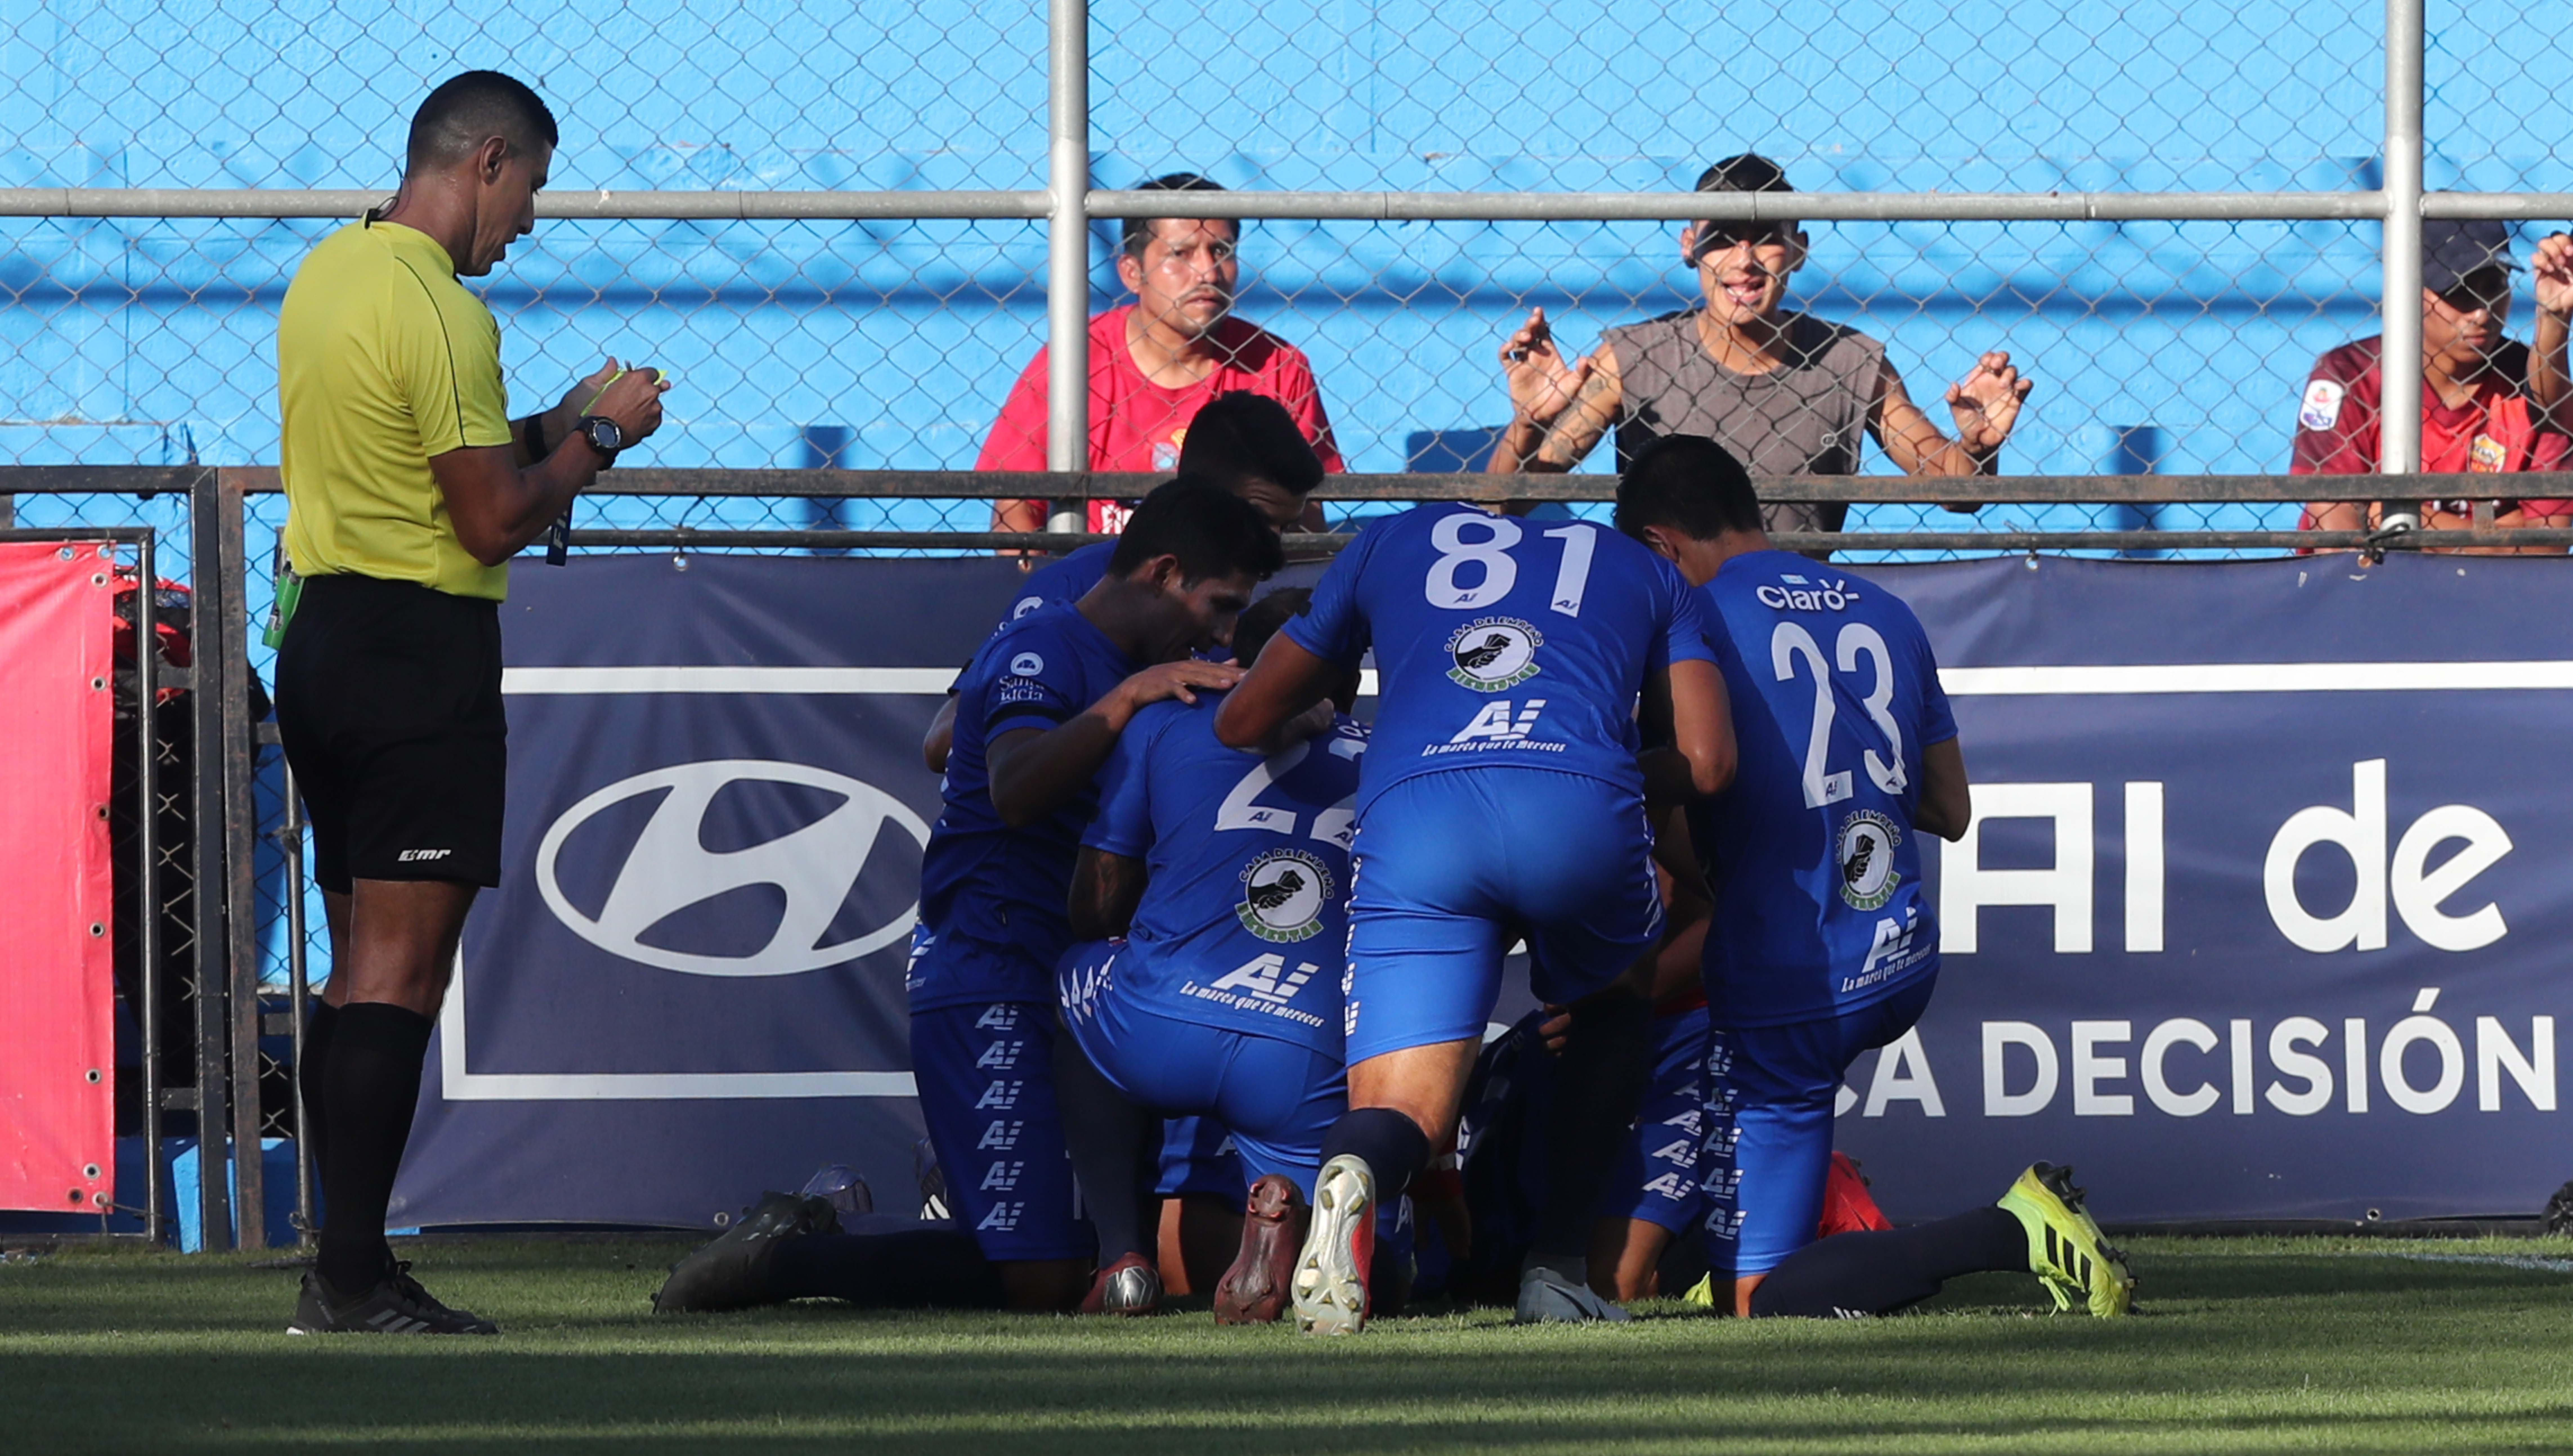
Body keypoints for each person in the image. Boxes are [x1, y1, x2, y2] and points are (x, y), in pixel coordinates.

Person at [271, 71, 669, 1337]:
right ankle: (349, 1278)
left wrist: (552, 421)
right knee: (400, 975)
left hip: (323, 637)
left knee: (349, 976)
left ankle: (337, 1261)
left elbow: (429, 450)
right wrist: (599, 442)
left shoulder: (331, 271)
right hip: (414, 651)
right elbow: (491, 518)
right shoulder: (442, 311)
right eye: (534, 187)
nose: (532, 221)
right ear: (487, 159)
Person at [1614, 434, 2131, 1319]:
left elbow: (1695, 793)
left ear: (1661, 547)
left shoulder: (1692, 622)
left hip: (1793, 972)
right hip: (1896, 949)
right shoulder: (1883, 607)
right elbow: (1950, 810)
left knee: (1765, 1302)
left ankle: (2013, 1230)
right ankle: (1767, 1237)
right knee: (1748, 1241)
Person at [1213, 498, 1734, 1333]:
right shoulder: (1640, 565)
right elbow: (1710, 766)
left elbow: (1242, 720)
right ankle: (1557, 1271)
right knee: (1614, 1001)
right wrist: (1602, 769)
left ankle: (1350, 1172)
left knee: (1409, 1112)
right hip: (1576, 803)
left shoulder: (1391, 538)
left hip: (1421, 818)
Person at [1052, 589, 1385, 1322]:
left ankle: (1121, 1254)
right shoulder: (1391, 753)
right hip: (1306, 1044)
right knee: (1358, 1256)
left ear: (1235, 662)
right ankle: (1299, 1239)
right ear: (1349, 680)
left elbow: (1097, 900)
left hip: (1160, 1018)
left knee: (1075, 975)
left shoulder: (1166, 723)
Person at [1483, 153, 2031, 540]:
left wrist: (1979, 449)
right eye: (1721, 237)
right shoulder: (1633, 358)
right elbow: (1502, 507)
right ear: (1689, 247)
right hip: (1666, 622)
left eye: (1765, 236)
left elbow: (1958, 490)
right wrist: (1528, 424)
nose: (1743, 260)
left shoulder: (1851, 362)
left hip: (1797, 616)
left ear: (1798, 248)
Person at [980, 174, 1342, 539]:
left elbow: (1305, 517)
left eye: (1222, 251)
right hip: (1097, 582)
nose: (1208, 272)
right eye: (1180, 254)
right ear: (1132, 273)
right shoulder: (1075, 361)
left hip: (1234, 583)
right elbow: (1016, 506)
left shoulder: (1278, 366)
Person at [2295, 221, 2573, 553]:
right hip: (2379, 596)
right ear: (2412, 293)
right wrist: (2498, 532)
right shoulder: (2350, 375)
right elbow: (2339, 543)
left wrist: (2395, 517)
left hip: (2496, 598)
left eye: (2494, 286)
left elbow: (2544, 547)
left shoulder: (2534, 383)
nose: (2482, 313)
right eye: (2458, 291)